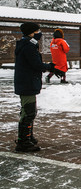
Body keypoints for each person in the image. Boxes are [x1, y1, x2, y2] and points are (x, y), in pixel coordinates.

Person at [14, 22, 55, 152]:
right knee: (28, 112)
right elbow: (36, 64)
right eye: (37, 30)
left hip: (27, 82)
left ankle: (28, 137)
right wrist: (49, 66)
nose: (39, 33)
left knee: (29, 111)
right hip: (27, 83)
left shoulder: (26, 44)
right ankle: (23, 142)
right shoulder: (28, 46)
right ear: (31, 32)